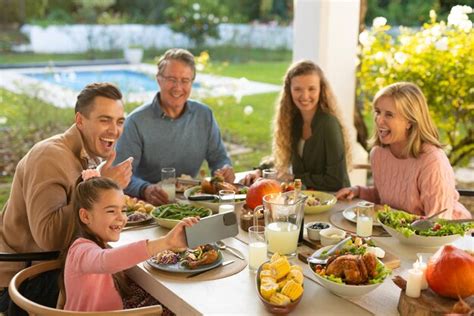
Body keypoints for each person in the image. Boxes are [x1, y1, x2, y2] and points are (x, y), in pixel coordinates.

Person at [0, 83, 134, 313]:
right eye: (105, 120)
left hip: (56, 266)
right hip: (26, 278)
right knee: (134, 289)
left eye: (119, 121)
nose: (114, 129)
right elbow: (48, 238)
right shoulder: (49, 157)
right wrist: (101, 187)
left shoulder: (84, 156)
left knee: (132, 276)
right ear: (80, 120)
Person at [61, 174, 198, 312]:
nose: (121, 218)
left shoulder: (94, 245)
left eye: (124, 210)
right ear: (85, 216)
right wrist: (166, 242)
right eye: (111, 211)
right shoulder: (80, 250)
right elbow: (106, 261)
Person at [115, 48, 234, 206]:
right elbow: (119, 174)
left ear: (192, 83)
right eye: (172, 79)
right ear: (159, 79)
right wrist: (144, 189)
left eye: (185, 80)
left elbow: (219, 158)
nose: (178, 87)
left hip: (192, 204)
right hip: (147, 206)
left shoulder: (204, 115)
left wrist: (224, 169)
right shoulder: (136, 122)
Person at [336, 82, 471, 219]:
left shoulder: (432, 160)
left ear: (410, 122)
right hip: (399, 234)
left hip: (449, 236)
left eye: (389, 115)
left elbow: (438, 222)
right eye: (378, 112)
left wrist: (397, 225)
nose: (379, 120)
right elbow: (385, 198)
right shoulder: (379, 154)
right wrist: (358, 191)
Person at [242, 60, 351, 191]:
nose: (305, 96)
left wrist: (294, 178)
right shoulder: (293, 121)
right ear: (289, 90)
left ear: (321, 89)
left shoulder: (328, 124)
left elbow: (336, 180)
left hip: (335, 202)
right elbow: (282, 156)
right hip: (306, 201)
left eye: (311, 89)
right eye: (298, 89)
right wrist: (260, 171)